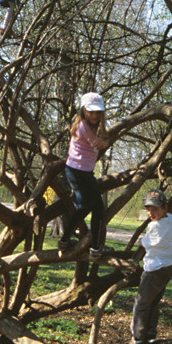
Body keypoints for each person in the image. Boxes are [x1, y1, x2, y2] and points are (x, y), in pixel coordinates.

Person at [58, 92, 114, 259]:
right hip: (78, 173)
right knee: (97, 208)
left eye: (98, 112)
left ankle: (65, 240)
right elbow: (100, 144)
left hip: (81, 172)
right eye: (91, 112)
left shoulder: (89, 126)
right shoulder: (83, 126)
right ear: (83, 111)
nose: (95, 115)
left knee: (85, 207)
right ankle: (95, 248)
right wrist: (108, 139)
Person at [131, 189, 172, 344]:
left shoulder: (155, 226)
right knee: (154, 301)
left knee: (142, 302)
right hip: (167, 268)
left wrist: (140, 241)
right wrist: (169, 208)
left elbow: (146, 242)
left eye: (155, 209)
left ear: (164, 208)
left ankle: (138, 335)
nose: (151, 213)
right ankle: (151, 333)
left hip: (154, 269)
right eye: (148, 209)